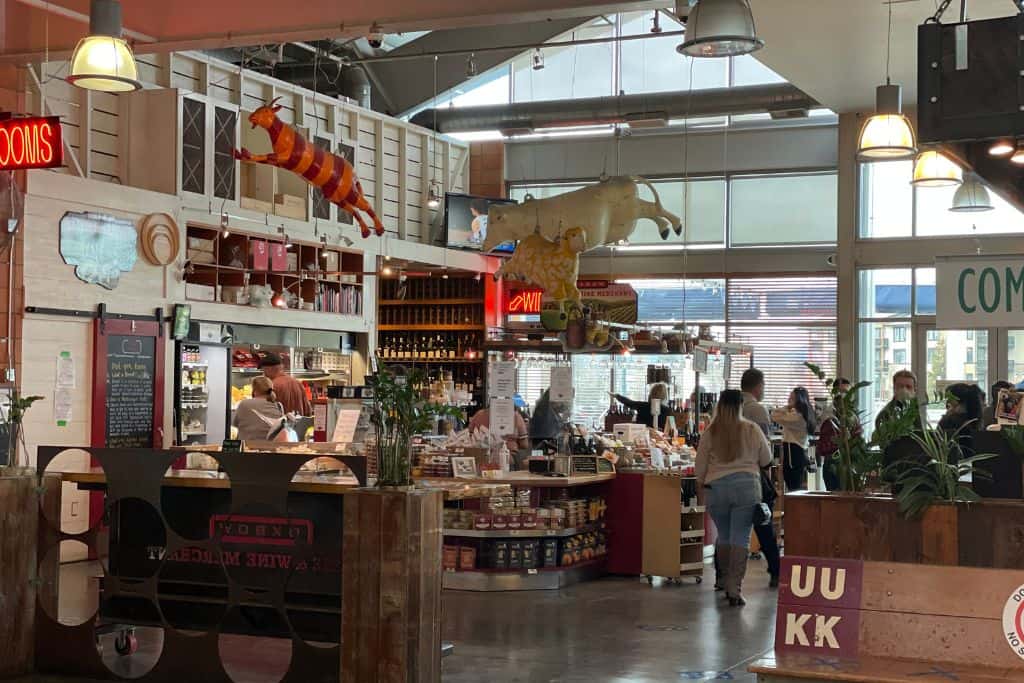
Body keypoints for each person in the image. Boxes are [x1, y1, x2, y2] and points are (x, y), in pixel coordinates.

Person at [696, 390, 772, 607]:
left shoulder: (710, 432)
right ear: (741, 406)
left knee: (725, 535)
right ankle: (734, 589)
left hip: (716, 488)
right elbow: (766, 460)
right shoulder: (751, 429)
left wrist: (702, 486)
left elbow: (700, 467)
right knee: (740, 537)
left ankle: (722, 579)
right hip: (746, 487)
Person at [738, 367, 780, 587]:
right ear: (758, 386)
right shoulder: (758, 411)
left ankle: (722, 575)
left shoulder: (726, 409)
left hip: (728, 475)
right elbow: (765, 450)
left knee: (729, 530)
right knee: (764, 522)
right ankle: (775, 568)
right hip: (753, 475)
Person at [771, 387, 817, 492]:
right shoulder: (803, 415)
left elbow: (774, 415)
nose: (788, 400)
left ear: (799, 400)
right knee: (795, 486)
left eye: (792, 398)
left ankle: (794, 508)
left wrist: (788, 407)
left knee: (793, 487)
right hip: (796, 452)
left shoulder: (797, 417)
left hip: (793, 452)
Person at [817, 378, 857, 492]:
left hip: (850, 466)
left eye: (847, 392)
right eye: (841, 392)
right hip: (833, 467)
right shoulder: (829, 417)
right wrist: (840, 441)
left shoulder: (852, 416)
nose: (844, 396)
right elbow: (822, 448)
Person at [233, 376, 285, 441]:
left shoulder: (244, 404)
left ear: (254, 390)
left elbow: (235, 424)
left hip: (248, 447)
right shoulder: (278, 406)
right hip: (271, 447)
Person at [259, 352, 312, 416]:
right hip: (299, 424)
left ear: (269, 369)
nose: (263, 374)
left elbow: (266, 414)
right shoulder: (297, 383)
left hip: (280, 425)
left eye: (263, 370)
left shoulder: (271, 386)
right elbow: (308, 411)